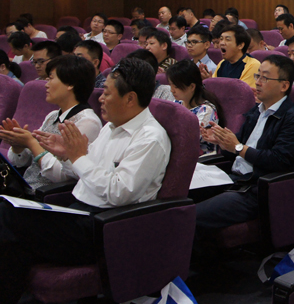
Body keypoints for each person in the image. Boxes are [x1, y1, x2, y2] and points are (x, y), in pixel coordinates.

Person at [0, 57, 171, 304]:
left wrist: (78, 156)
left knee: (7, 216)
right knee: (11, 237)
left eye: (107, 93)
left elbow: (119, 192)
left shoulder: (150, 139)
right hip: (77, 213)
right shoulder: (110, 127)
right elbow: (88, 171)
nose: (100, 98)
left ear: (130, 98)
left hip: (105, 228)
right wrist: (68, 155)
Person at [194, 55, 294, 234]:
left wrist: (238, 147)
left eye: (265, 78)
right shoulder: (257, 111)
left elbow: (278, 160)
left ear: (284, 86)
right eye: (257, 76)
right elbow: (236, 148)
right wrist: (221, 141)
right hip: (234, 179)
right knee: (179, 199)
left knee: (190, 216)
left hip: (255, 189)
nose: (258, 82)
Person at [1, 55, 102, 191]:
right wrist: (18, 145)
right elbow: (22, 162)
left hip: (47, 195)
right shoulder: (53, 116)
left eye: (51, 78)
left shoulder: (88, 122)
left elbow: (65, 175)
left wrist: (32, 143)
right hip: (26, 186)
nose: (46, 84)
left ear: (70, 84)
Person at [166, 60, 224, 154]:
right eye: (171, 85)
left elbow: (187, 139)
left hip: (198, 157)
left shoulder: (206, 110)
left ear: (192, 87)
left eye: (176, 86)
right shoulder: (177, 103)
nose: (172, 90)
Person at [212, 24, 261, 89]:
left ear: (240, 45)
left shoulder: (253, 65)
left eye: (227, 39)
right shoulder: (222, 63)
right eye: (221, 39)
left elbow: (242, 92)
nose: (222, 43)